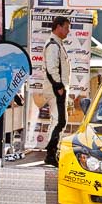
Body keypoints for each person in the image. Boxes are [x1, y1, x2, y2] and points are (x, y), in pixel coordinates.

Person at [43, 16, 71, 167]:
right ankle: (50, 154)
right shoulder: (53, 45)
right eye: (66, 27)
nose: (68, 31)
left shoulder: (58, 44)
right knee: (59, 121)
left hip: (58, 89)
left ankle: (53, 152)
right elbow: (51, 68)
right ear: (58, 27)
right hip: (56, 89)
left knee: (60, 121)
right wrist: (58, 86)